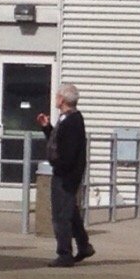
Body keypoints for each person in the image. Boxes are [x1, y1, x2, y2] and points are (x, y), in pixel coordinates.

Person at [37, 83, 95, 267]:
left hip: (66, 174)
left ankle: (64, 253)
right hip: (66, 172)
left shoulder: (72, 121)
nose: (55, 99)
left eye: (57, 97)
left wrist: (59, 166)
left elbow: (68, 152)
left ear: (62, 99)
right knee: (70, 211)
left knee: (61, 214)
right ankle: (84, 245)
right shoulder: (67, 119)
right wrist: (47, 128)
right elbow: (58, 142)